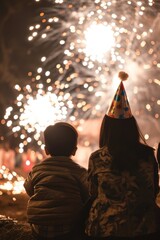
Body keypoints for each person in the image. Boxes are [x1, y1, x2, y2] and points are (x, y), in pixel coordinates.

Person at [85, 72, 160, 240]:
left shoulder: (97, 158)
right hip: (145, 229)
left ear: (106, 129)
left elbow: (92, 193)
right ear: (132, 127)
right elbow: (153, 189)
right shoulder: (148, 155)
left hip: (104, 229)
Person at [24, 122, 89, 240]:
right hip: (69, 228)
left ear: (46, 150)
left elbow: (28, 188)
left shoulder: (37, 169)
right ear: (74, 150)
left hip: (39, 227)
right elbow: (88, 194)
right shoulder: (79, 171)